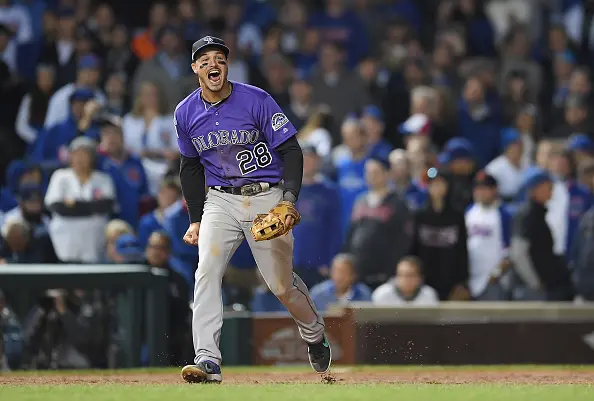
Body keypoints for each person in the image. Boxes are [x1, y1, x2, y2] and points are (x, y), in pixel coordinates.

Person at [175, 36, 329, 383]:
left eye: (219, 59)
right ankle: (207, 360)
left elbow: (291, 150)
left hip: (267, 197)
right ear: (195, 68)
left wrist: (288, 199)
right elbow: (190, 166)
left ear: (227, 65)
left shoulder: (256, 99)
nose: (213, 65)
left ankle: (313, 333)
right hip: (221, 200)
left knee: (280, 286)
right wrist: (195, 219)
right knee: (207, 270)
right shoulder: (185, 112)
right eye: (205, 60)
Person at [44, 137, 115, 263]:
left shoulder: (103, 179)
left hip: (94, 239)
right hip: (65, 239)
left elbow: (106, 206)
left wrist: (74, 205)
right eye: (76, 154)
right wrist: (90, 207)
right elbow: (56, 206)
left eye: (84, 154)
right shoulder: (60, 176)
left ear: (92, 157)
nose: (79, 158)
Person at [345, 157, 412, 288]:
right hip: (358, 273)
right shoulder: (360, 200)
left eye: (375, 172)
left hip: (383, 275)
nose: (371, 176)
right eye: (368, 172)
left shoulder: (398, 203)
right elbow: (351, 234)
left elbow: (403, 242)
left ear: (387, 174)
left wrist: (390, 271)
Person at [510, 168, 574, 301]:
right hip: (535, 289)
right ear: (535, 189)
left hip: (546, 285)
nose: (552, 189)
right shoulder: (527, 216)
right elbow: (518, 254)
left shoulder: (538, 214)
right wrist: (535, 282)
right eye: (547, 185)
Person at [410, 167, 470, 301]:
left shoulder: (457, 217)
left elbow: (462, 249)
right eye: (433, 184)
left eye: (440, 184)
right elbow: (413, 248)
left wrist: (462, 282)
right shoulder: (419, 216)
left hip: (450, 279)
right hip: (424, 281)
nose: (436, 188)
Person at [292, 146, 341, 287]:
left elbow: (335, 229)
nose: (307, 163)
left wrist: (329, 261)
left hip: (318, 264)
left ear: (318, 162)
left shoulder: (330, 191)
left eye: (311, 159)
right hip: (291, 261)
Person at [122, 81, 178, 195]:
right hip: (134, 169)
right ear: (140, 97)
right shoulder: (129, 120)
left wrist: (155, 153)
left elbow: (178, 150)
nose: (149, 98)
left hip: (162, 169)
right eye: (146, 94)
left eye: (153, 94)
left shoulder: (170, 120)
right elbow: (124, 147)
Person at [96, 116, 151, 228]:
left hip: (132, 222)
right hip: (104, 224)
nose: (111, 138)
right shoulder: (96, 161)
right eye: (106, 133)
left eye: (115, 132)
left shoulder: (134, 161)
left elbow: (144, 194)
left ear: (123, 136)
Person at [465, 171, 512, 300]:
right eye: (478, 189)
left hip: (493, 280)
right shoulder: (469, 212)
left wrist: (496, 273)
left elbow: (509, 250)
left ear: (494, 190)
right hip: (470, 278)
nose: (481, 193)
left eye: (485, 189)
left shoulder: (503, 215)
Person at [371, 256, 439, 306]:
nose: (404, 279)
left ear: (420, 278)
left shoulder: (429, 295)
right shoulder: (382, 294)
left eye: (409, 275)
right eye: (400, 274)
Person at [137, 178, 181, 249]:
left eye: (172, 196)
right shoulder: (147, 221)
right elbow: (144, 247)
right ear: (158, 195)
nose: (167, 199)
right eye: (164, 194)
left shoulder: (183, 220)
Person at [485, 128, 528, 201]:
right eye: (513, 144)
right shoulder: (494, 168)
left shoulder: (527, 164)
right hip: (502, 203)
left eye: (519, 144)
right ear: (506, 146)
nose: (517, 148)